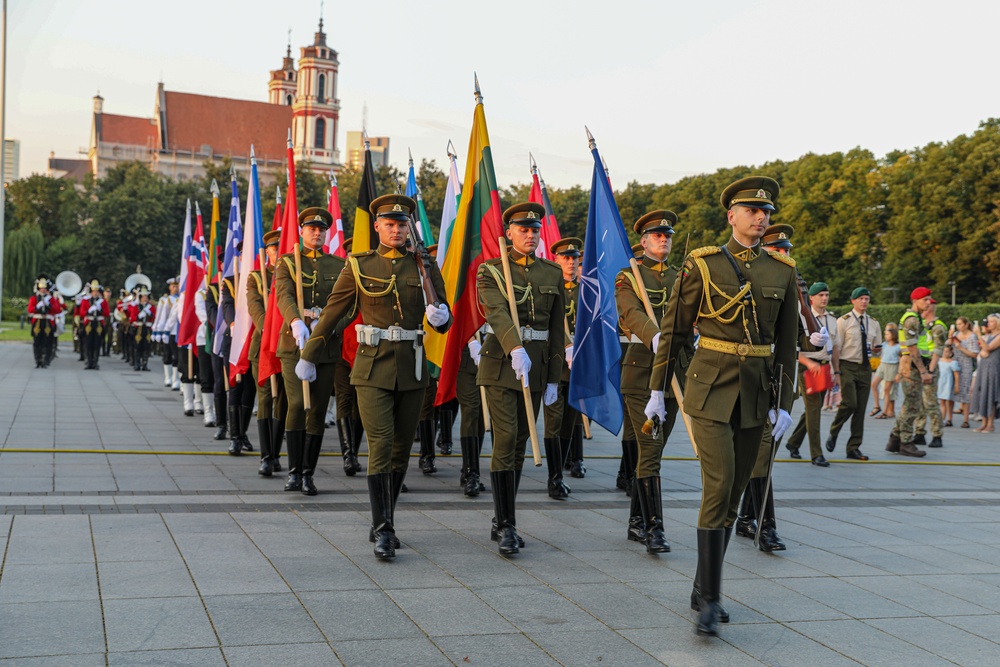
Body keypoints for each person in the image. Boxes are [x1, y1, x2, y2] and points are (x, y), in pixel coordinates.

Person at [646, 177, 799, 636]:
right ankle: (710, 600)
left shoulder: (782, 270)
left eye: (765, 211)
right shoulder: (704, 263)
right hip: (710, 389)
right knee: (720, 484)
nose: (761, 217)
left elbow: (788, 345)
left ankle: (702, 585)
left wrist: (785, 402)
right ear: (731, 215)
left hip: (756, 394)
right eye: (751, 210)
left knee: (735, 494)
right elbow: (674, 331)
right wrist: (657, 390)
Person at [300, 194, 451, 558]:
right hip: (371, 367)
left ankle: (385, 516)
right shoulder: (359, 264)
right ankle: (384, 529)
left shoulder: (425, 266)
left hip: (413, 368)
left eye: (402, 224)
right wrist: (309, 354)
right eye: (390, 224)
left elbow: (441, 315)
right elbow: (333, 313)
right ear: (378, 227)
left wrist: (440, 317)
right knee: (381, 444)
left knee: (401, 450)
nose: (396, 229)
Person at [477, 201, 564, 557]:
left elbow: (558, 329)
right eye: (523, 229)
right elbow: (495, 311)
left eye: (534, 230)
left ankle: (502, 518)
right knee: (507, 436)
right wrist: (514, 346)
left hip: (539, 367)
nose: (530, 235)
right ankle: (508, 525)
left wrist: (556, 377)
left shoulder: (551, 272)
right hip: (502, 364)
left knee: (518, 445)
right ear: (508, 232)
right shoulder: (491, 270)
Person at [734, 223, 825, 552]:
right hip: (753, 377)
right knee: (761, 454)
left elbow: (795, 335)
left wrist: (813, 339)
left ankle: (747, 519)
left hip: (781, 381)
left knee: (765, 454)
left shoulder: (791, 281)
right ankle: (766, 525)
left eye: (787, 249)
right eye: (778, 249)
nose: (786, 255)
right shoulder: (746, 279)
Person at [616, 211, 683, 553]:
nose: (663, 240)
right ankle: (655, 528)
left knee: (653, 450)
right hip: (642, 372)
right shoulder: (629, 276)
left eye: (667, 235)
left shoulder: (681, 276)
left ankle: (636, 522)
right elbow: (630, 313)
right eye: (656, 235)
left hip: (675, 375)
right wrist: (655, 337)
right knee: (651, 449)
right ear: (643, 241)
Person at [276, 207, 348, 495]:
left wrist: (328, 326)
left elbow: (348, 306)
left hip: (326, 345)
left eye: (321, 229)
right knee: (296, 405)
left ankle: (308, 473)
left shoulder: (340, 265)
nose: (316, 233)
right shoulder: (288, 262)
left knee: (317, 409)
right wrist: (295, 321)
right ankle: (293, 471)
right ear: (302, 231)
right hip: (295, 342)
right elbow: (283, 293)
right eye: (311, 229)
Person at [542, 236, 583, 500]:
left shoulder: (586, 290)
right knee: (554, 422)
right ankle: (554, 477)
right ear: (556, 260)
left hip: (578, 366)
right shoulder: (549, 287)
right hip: (555, 364)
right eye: (565, 258)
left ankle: (567, 463)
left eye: (574, 258)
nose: (570, 262)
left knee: (571, 421)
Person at [785, 282, 840, 466]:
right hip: (808, 367)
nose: (824, 298)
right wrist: (808, 362)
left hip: (824, 367)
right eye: (820, 295)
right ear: (811, 299)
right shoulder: (803, 318)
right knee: (814, 408)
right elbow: (793, 346)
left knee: (812, 410)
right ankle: (816, 454)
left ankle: (793, 443)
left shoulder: (832, 320)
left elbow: (835, 347)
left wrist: (836, 371)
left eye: (826, 295)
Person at [826, 287, 881, 460]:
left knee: (860, 409)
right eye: (861, 299)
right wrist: (835, 371)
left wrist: (877, 350)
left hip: (865, 367)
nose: (864, 301)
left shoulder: (873, 323)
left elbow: (877, 348)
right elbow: (837, 347)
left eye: (866, 298)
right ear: (853, 301)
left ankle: (853, 447)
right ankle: (834, 431)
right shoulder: (844, 321)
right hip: (847, 365)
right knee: (850, 403)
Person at [248, 230, 287, 477]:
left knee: (282, 401)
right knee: (264, 399)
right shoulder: (256, 277)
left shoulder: (293, 275)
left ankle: (275, 453)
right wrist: (271, 330)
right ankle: (265, 456)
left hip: (287, 345)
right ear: (268, 252)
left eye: (281, 248)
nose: (278, 253)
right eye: (274, 249)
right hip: (263, 344)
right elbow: (255, 307)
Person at [886, 287, 934, 456]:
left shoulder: (914, 319)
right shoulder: (912, 320)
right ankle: (905, 442)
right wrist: (923, 371)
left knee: (909, 404)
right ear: (915, 301)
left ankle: (894, 439)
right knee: (912, 406)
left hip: (910, 365)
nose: (928, 303)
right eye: (925, 300)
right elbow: (913, 348)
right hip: (912, 366)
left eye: (929, 299)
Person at [912, 299, 947, 447]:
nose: (922, 310)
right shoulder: (923, 325)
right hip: (921, 367)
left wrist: (930, 371)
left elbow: (938, 350)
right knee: (919, 402)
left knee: (931, 403)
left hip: (930, 367)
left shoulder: (938, 327)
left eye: (926, 307)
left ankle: (937, 435)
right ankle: (919, 432)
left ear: (930, 309)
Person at [458, 325, 488, 496]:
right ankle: (471, 474)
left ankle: (468, 468)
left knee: (482, 414)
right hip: (468, 353)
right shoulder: (465, 295)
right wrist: (471, 341)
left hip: (493, 352)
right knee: (471, 409)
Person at [969, 314, 1000, 433]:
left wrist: (977, 334)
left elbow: (987, 347)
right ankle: (984, 422)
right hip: (984, 366)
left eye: (991, 322)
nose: (988, 324)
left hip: (993, 367)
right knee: (982, 393)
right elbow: (982, 351)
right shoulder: (990, 335)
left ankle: (990, 424)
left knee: (991, 394)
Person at [950, 316, 979, 428]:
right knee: (951, 390)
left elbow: (974, 354)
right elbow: (949, 347)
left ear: (966, 324)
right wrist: (950, 336)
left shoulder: (972, 336)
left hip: (965, 364)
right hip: (954, 363)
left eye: (960, 324)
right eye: (957, 324)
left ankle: (966, 419)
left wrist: (961, 348)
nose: (959, 326)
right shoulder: (956, 334)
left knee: (965, 391)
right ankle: (949, 418)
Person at [27, 276, 62, 368]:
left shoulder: (51, 299)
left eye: (44, 288)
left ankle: (46, 360)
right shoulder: (34, 298)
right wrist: (37, 307)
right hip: (38, 321)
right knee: (37, 341)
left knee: (48, 341)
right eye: (41, 288)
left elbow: (58, 310)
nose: (43, 290)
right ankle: (38, 360)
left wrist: (49, 304)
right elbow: (30, 309)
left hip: (48, 321)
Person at [154, 278, 181, 389]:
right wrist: (158, 331)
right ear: (169, 287)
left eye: (177, 286)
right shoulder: (166, 300)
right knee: (167, 355)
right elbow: (162, 316)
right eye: (173, 286)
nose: (175, 288)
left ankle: (176, 380)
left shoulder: (181, 298)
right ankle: (168, 377)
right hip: (170, 330)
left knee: (177, 357)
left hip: (178, 331)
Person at [77, 280, 110, 370]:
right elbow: (82, 313)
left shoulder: (102, 302)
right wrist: (89, 311)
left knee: (97, 343)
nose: (95, 293)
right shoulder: (86, 301)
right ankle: (89, 362)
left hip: (98, 323)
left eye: (97, 291)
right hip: (89, 323)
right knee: (88, 343)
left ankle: (95, 362)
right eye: (94, 291)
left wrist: (100, 310)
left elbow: (107, 313)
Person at [872, 324, 900, 419]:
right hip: (882, 365)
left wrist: (898, 374)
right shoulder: (884, 344)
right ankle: (877, 406)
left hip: (892, 366)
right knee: (873, 384)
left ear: (893, 335)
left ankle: (885, 412)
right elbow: (878, 352)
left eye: (887, 334)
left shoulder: (898, 347)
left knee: (887, 390)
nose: (885, 336)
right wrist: (875, 349)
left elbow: (901, 360)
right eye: (885, 334)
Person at [128, 287, 156, 371]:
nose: (145, 299)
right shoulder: (136, 307)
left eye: (146, 297)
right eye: (143, 297)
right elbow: (132, 318)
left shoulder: (151, 307)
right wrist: (139, 316)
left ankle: (145, 364)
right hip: (138, 328)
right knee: (137, 346)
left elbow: (154, 316)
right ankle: (137, 364)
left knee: (146, 346)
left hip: (147, 328)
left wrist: (150, 313)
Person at [938, 345, 960, 426]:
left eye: (947, 352)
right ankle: (942, 418)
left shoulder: (953, 363)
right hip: (940, 383)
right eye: (944, 352)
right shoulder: (939, 361)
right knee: (942, 402)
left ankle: (945, 419)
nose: (945, 354)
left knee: (947, 402)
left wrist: (957, 386)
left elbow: (956, 375)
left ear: (951, 353)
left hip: (948, 384)